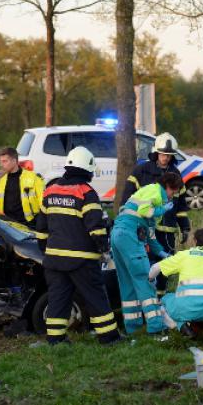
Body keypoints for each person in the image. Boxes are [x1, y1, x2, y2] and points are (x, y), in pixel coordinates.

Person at [33, 146, 120, 345]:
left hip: (54, 260)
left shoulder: (50, 191)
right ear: (87, 169)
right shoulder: (86, 193)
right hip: (82, 260)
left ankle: (55, 339)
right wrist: (104, 249)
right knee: (95, 296)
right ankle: (109, 337)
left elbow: (41, 228)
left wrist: (46, 250)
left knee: (58, 298)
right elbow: (96, 228)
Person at [111, 172, 184, 335]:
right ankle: (156, 327)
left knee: (128, 283)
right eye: (174, 191)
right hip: (130, 234)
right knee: (146, 279)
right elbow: (145, 210)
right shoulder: (155, 191)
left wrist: (163, 253)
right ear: (168, 186)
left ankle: (133, 328)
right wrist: (161, 209)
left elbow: (150, 237)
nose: (172, 196)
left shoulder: (148, 195)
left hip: (118, 234)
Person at [121, 133, 191, 298]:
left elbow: (180, 205)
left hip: (166, 230)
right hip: (143, 228)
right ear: (155, 152)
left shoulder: (176, 174)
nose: (165, 158)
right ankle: (145, 297)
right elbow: (127, 198)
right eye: (162, 154)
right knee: (144, 263)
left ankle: (160, 298)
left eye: (169, 155)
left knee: (164, 266)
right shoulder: (141, 171)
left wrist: (185, 227)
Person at [0, 147, 44, 229]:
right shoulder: (1, 182)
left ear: (14, 161)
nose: (1, 165)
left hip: (29, 224)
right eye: (0, 161)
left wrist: (40, 222)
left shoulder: (33, 178)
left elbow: (43, 202)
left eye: (4, 161)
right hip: (8, 226)